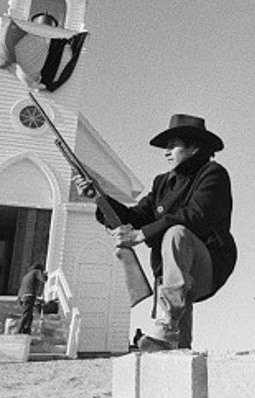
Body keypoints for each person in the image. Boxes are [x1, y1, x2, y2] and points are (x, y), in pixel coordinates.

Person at [75, 114, 236, 351]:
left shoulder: (213, 174)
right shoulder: (162, 182)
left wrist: (141, 235)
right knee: (176, 348)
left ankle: (167, 324)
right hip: (172, 273)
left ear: (194, 147)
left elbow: (196, 217)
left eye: (173, 145)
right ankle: (172, 343)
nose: (166, 152)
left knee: (176, 233)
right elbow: (135, 217)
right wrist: (99, 198)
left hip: (208, 265)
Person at [17, 263, 47, 334]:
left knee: (29, 315)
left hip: (21, 296)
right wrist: (45, 274)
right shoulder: (36, 272)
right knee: (26, 315)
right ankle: (19, 331)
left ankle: (26, 331)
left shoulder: (26, 276)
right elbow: (44, 279)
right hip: (28, 296)